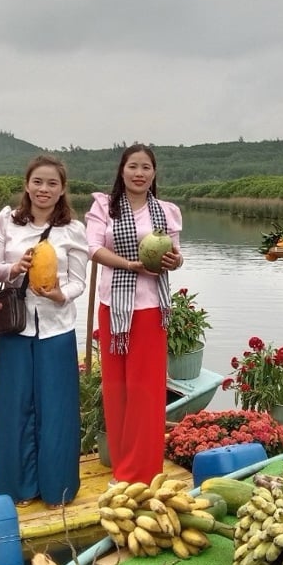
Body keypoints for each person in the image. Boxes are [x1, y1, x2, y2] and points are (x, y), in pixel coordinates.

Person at [0, 155, 89, 508]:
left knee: (57, 407)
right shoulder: (5, 222)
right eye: (37, 182)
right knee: (14, 406)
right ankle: (16, 488)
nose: (43, 189)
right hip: (15, 326)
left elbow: (79, 281)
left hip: (56, 328)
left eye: (52, 183)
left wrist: (62, 294)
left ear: (62, 189)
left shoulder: (72, 231)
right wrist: (14, 268)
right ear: (26, 184)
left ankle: (56, 489)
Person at [85, 144, 184, 485]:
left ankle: (142, 471)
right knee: (117, 389)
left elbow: (177, 254)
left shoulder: (167, 211)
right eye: (133, 166)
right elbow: (93, 248)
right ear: (122, 171)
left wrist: (174, 261)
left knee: (147, 390)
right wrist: (128, 264)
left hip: (151, 308)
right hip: (114, 308)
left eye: (146, 167)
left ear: (154, 174)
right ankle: (122, 468)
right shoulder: (104, 207)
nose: (139, 173)